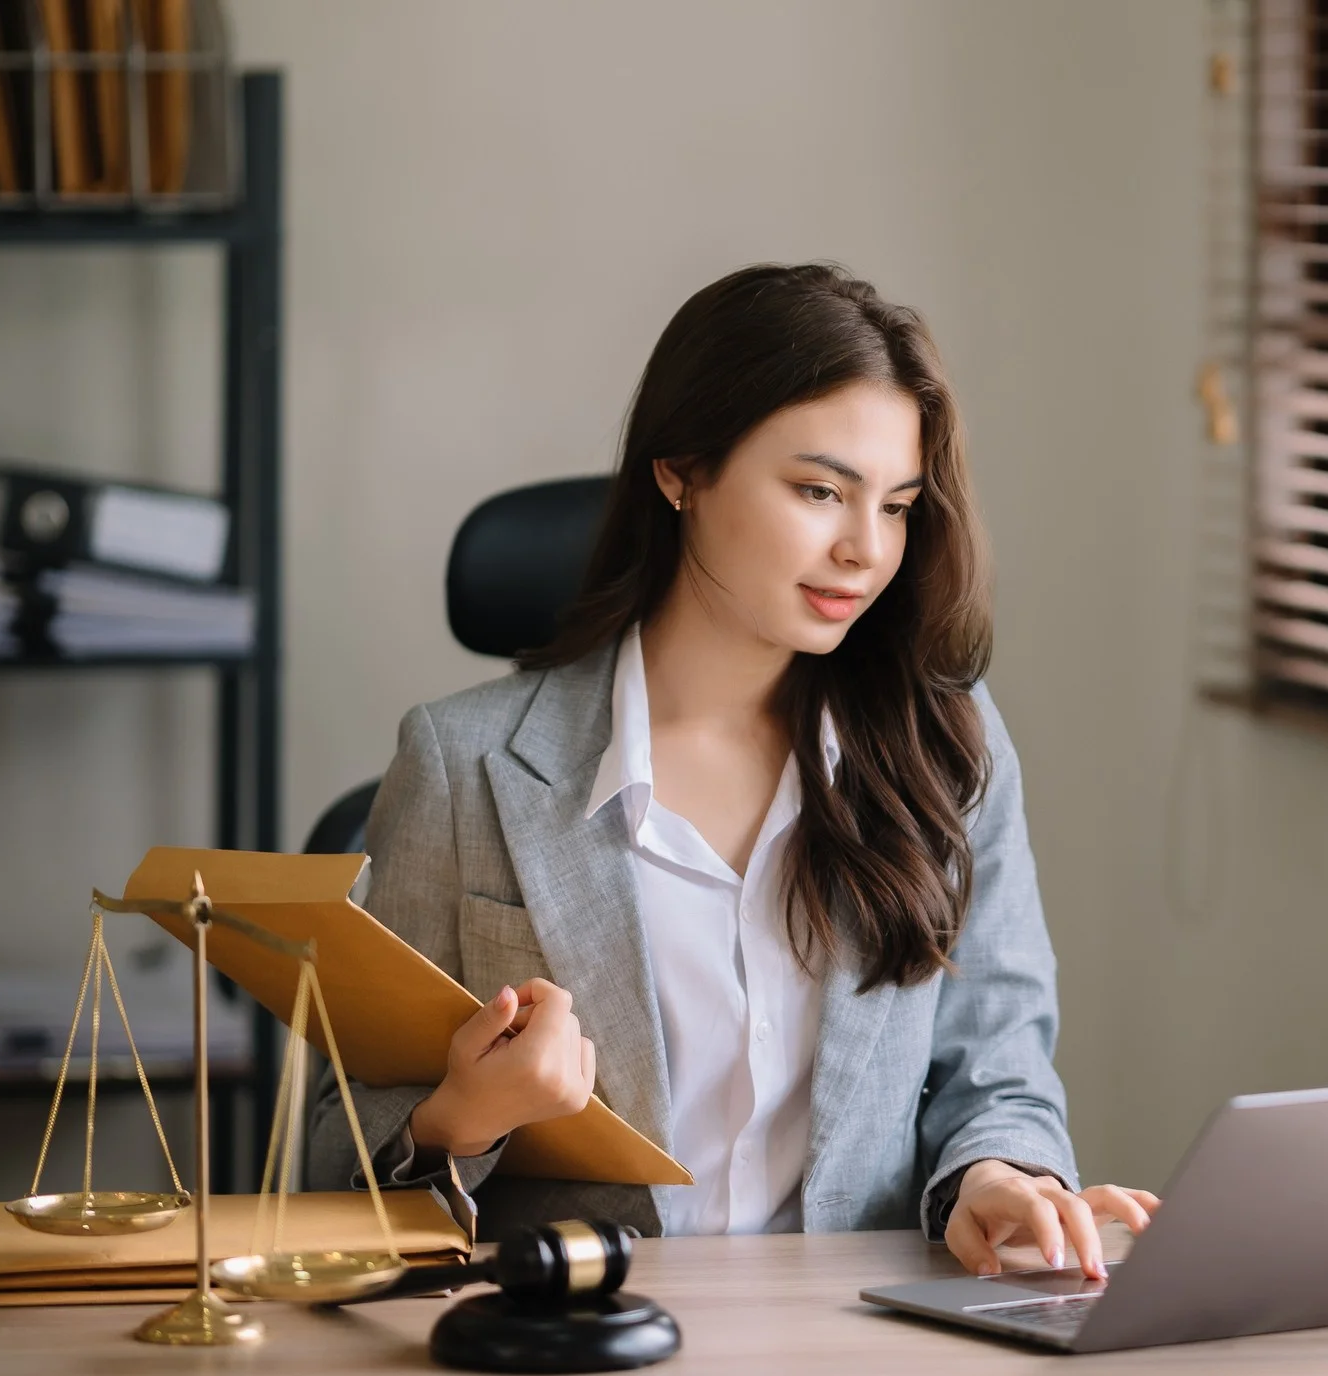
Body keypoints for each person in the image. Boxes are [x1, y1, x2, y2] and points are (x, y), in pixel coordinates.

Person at [307, 262, 1156, 1278]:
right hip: (578, 1346)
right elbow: (333, 1148)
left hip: (860, 1347)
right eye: (818, 491)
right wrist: (463, 1119)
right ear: (682, 472)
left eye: (894, 506)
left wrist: (1001, 1178)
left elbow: (1000, 1067)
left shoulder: (950, 746)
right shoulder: (464, 764)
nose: (864, 551)